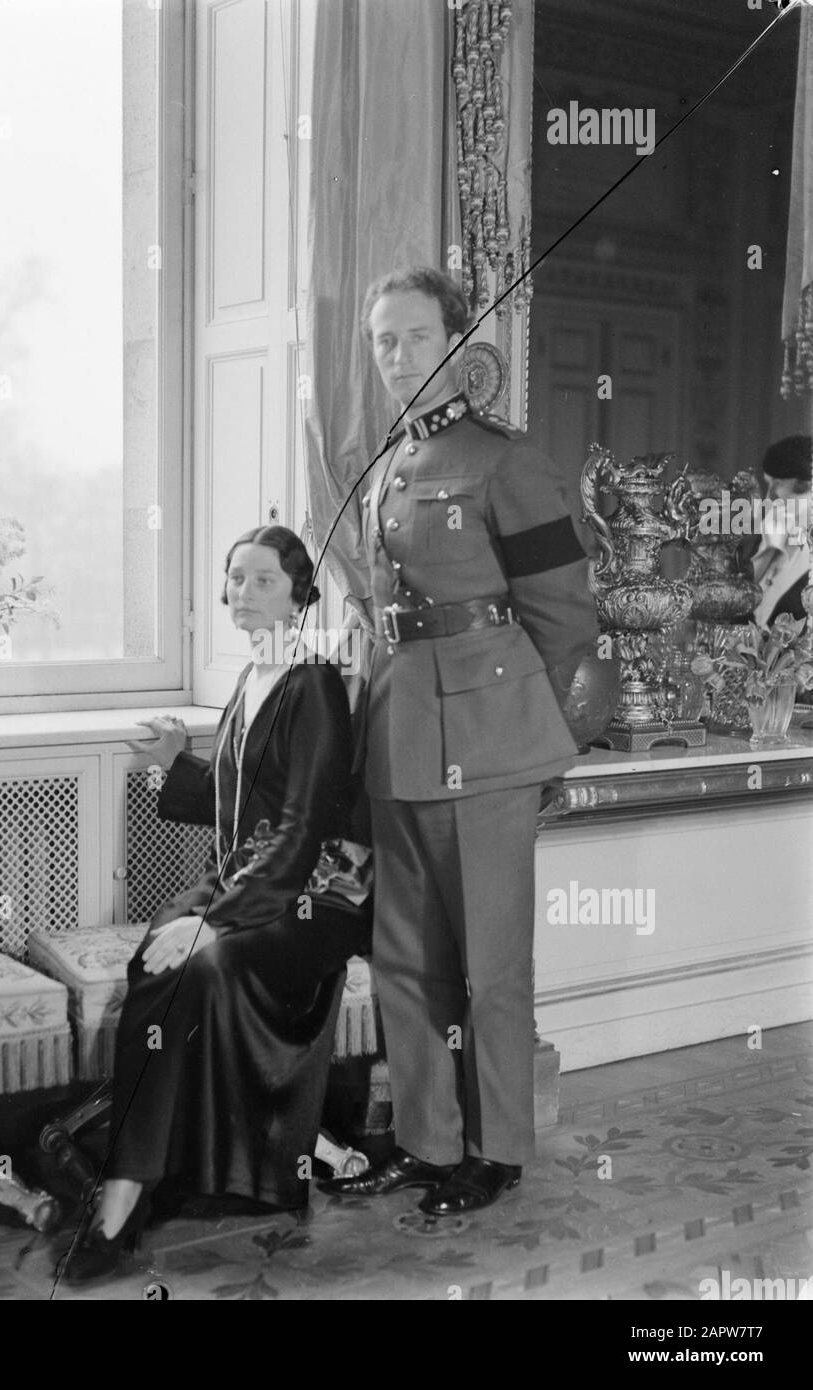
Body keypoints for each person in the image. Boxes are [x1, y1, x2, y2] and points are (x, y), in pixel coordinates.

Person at [318, 267, 598, 1217]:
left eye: (413, 337)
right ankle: (426, 1141)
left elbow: (565, 620)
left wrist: (541, 744)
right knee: (406, 959)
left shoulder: (505, 462)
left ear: (457, 344)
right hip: (400, 732)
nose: (396, 358)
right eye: (382, 341)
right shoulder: (387, 463)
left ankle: (498, 1149)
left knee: (491, 963)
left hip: (489, 741)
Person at [59, 525, 371, 1283]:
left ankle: (124, 1198)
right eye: (235, 579)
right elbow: (248, 806)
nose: (243, 592)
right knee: (153, 960)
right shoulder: (253, 675)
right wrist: (179, 763)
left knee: (200, 965)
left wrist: (211, 923)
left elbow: (299, 836)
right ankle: (166, 1170)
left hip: (314, 896)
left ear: (301, 595)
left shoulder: (315, 680)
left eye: (264, 580)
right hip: (249, 878)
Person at [751, 435, 811, 628]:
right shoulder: (768, 537)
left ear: (808, 483)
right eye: (769, 483)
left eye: (780, 484)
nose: (770, 495)